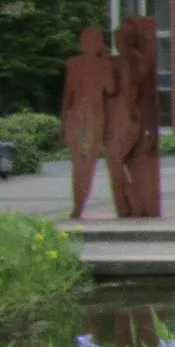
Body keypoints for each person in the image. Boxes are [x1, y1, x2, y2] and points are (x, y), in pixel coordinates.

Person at [60, 27, 116, 219]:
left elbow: (67, 96)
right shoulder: (103, 65)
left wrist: (63, 123)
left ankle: (78, 206)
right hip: (93, 115)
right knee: (87, 164)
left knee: (78, 165)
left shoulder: (74, 63)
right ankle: (80, 204)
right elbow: (110, 89)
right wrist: (107, 59)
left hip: (76, 115)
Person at [110, 17, 163, 218]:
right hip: (132, 117)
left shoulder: (124, 62)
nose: (117, 43)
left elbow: (116, 90)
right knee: (119, 162)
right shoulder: (140, 60)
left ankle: (130, 203)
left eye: (119, 39)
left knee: (115, 162)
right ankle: (133, 202)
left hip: (125, 118)